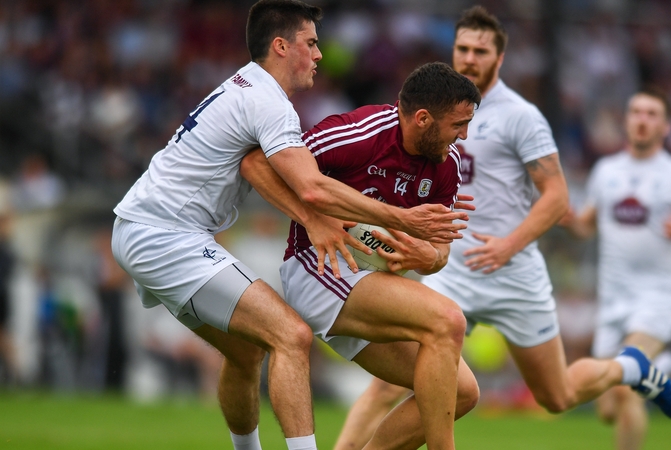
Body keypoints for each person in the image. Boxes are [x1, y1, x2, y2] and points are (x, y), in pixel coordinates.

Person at [111, 2, 471, 450]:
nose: (320, 54)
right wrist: (390, 219)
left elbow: (266, 172)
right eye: (312, 43)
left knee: (246, 351)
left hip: (150, 228)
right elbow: (307, 185)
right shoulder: (271, 104)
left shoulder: (249, 90)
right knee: (291, 335)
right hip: (165, 233)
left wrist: (427, 253)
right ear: (281, 46)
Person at [334, 7, 671, 450]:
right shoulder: (434, 111)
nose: (469, 59)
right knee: (392, 382)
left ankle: (630, 368)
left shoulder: (521, 117)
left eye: (480, 51)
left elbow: (557, 196)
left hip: (514, 273)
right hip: (454, 267)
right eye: (462, 48)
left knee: (557, 396)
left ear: (500, 58)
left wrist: (507, 245)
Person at [242, 61, 482, 450]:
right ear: (423, 118)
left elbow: (440, 252)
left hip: (370, 284)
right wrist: (312, 218)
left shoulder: (446, 163)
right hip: (316, 269)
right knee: (448, 321)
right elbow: (257, 163)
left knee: (462, 393)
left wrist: (429, 256)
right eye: (458, 125)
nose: (464, 136)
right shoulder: (357, 134)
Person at [560, 87, 671, 449]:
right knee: (605, 407)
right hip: (613, 298)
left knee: (628, 390)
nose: (642, 120)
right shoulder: (606, 171)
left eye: (652, 114)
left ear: (665, 127)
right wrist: (567, 219)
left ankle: (655, 359)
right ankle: (670, 357)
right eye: (636, 112)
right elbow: (588, 224)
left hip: (656, 296)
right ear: (626, 121)